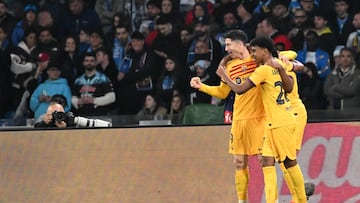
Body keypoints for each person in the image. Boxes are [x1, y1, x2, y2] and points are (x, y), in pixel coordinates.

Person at [216, 35, 307, 203]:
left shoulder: (262, 70)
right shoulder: (277, 64)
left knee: (289, 161)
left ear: (265, 51)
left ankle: (301, 199)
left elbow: (239, 89)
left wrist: (224, 75)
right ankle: (273, 201)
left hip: (281, 120)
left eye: (255, 51)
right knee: (267, 160)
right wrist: (281, 68)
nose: (253, 55)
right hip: (271, 121)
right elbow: (289, 86)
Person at [190, 29, 265, 202]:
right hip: (239, 120)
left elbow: (285, 56)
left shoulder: (258, 59)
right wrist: (201, 86)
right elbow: (223, 93)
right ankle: (242, 200)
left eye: (228, 44)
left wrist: (286, 60)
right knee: (239, 162)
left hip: (260, 118)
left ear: (240, 44)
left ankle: (272, 199)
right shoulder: (229, 67)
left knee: (265, 161)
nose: (226, 49)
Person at [71, 52, 116, 116]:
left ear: (95, 63)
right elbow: (73, 97)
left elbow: (112, 97)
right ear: (83, 63)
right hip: (82, 116)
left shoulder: (103, 78)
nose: (89, 63)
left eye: (92, 61)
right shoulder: (78, 80)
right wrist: (78, 101)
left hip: (100, 115)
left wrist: (94, 100)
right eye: (87, 61)